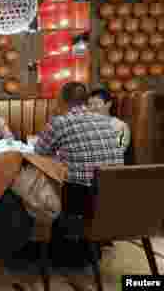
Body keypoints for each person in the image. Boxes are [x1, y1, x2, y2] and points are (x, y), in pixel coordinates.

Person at [33, 83, 124, 270]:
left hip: (80, 197)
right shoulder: (104, 121)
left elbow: (39, 152)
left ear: (62, 100)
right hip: (113, 195)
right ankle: (85, 248)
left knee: (38, 190)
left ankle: (50, 249)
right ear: (84, 100)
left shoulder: (60, 122)